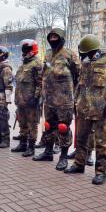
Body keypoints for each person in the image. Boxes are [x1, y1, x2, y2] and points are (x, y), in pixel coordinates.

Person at [64, 34, 106, 185]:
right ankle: (78, 164)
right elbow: (79, 85)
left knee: (101, 142)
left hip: (100, 109)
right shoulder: (85, 62)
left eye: (85, 52)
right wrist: (76, 102)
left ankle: (101, 172)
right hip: (82, 108)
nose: (84, 55)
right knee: (81, 138)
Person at [32, 29, 80, 171]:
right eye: (51, 37)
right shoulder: (47, 54)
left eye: (56, 37)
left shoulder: (70, 54)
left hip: (64, 100)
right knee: (48, 126)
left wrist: (74, 96)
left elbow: (78, 75)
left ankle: (63, 157)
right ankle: (48, 152)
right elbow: (43, 75)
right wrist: (41, 93)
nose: (53, 39)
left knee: (63, 128)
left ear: (62, 38)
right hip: (49, 99)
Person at [11, 39, 43, 157]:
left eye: (27, 49)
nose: (24, 51)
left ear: (33, 50)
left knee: (32, 125)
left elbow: (40, 83)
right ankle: (22, 144)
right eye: (23, 49)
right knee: (22, 123)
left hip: (31, 101)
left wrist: (36, 98)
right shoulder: (23, 64)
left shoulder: (37, 64)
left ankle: (31, 147)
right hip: (21, 101)